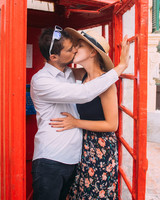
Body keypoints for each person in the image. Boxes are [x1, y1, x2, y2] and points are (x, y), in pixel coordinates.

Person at [30, 25, 130, 200]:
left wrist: (111, 68)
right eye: (71, 48)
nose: (75, 49)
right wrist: (120, 67)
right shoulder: (42, 80)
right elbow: (84, 93)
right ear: (54, 57)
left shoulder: (70, 73)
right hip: (51, 159)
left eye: (78, 45)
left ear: (93, 52)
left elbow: (111, 123)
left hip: (82, 156)